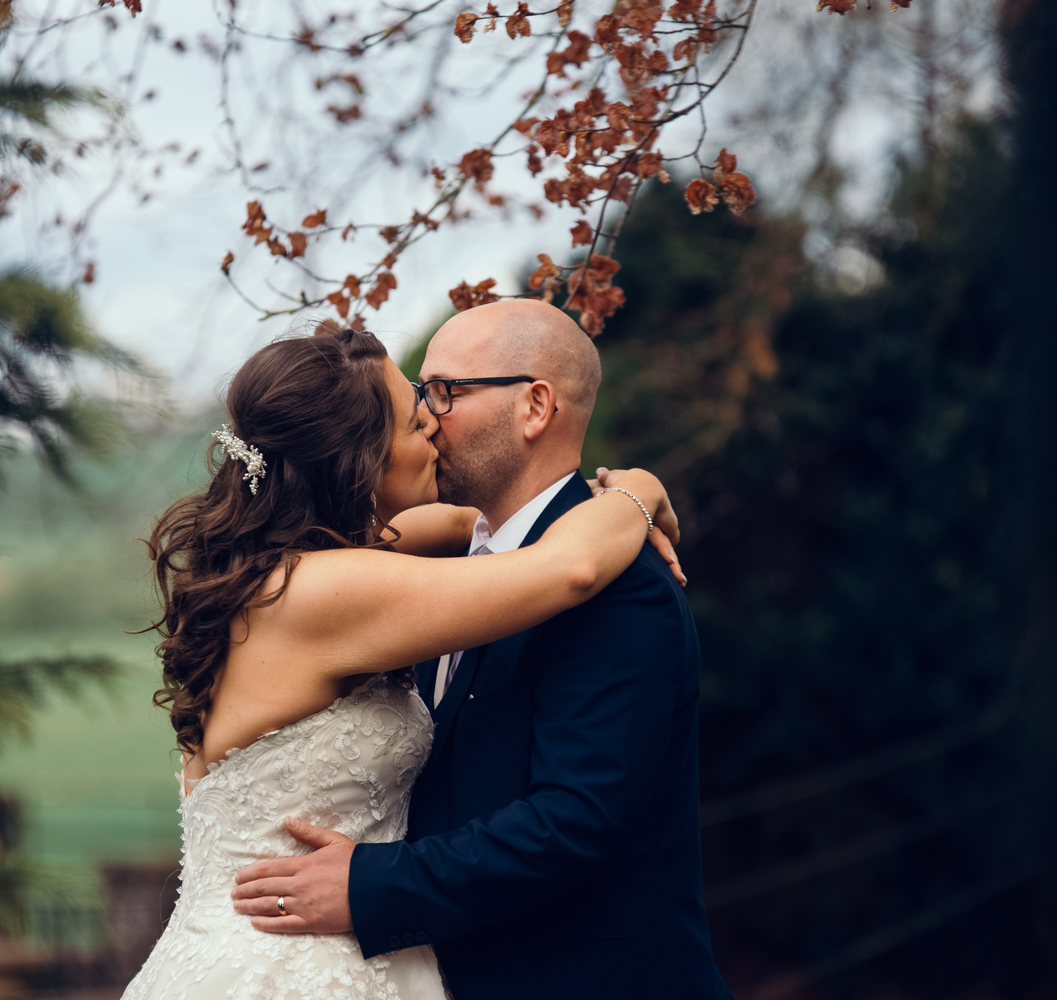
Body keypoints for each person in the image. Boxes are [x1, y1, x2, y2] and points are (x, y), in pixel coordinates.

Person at [120, 314, 683, 999]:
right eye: (419, 411)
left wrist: (620, 493)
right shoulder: (328, 588)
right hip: (281, 966)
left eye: (443, 393)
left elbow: (481, 530)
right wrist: (637, 491)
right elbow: (567, 567)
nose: (433, 423)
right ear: (361, 460)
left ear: (535, 404)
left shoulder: (321, 564)